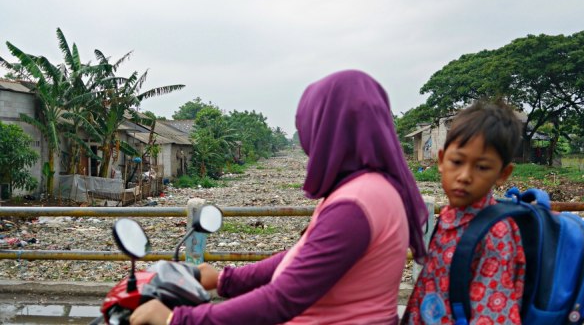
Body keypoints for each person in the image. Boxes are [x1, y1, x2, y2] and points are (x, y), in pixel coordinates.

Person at [130, 69, 428, 325]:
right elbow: (303, 256)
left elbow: (283, 298)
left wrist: (178, 320)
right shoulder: (369, 189)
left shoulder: (356, 203)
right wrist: (225, 280)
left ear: (328, 131)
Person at [402, 101, 526, 324]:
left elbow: (493, 314)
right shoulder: (450, 216)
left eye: (482, 167)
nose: (465, 176)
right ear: (441, 161)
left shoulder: (495, 233)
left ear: (503, 174)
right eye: (457, 162)